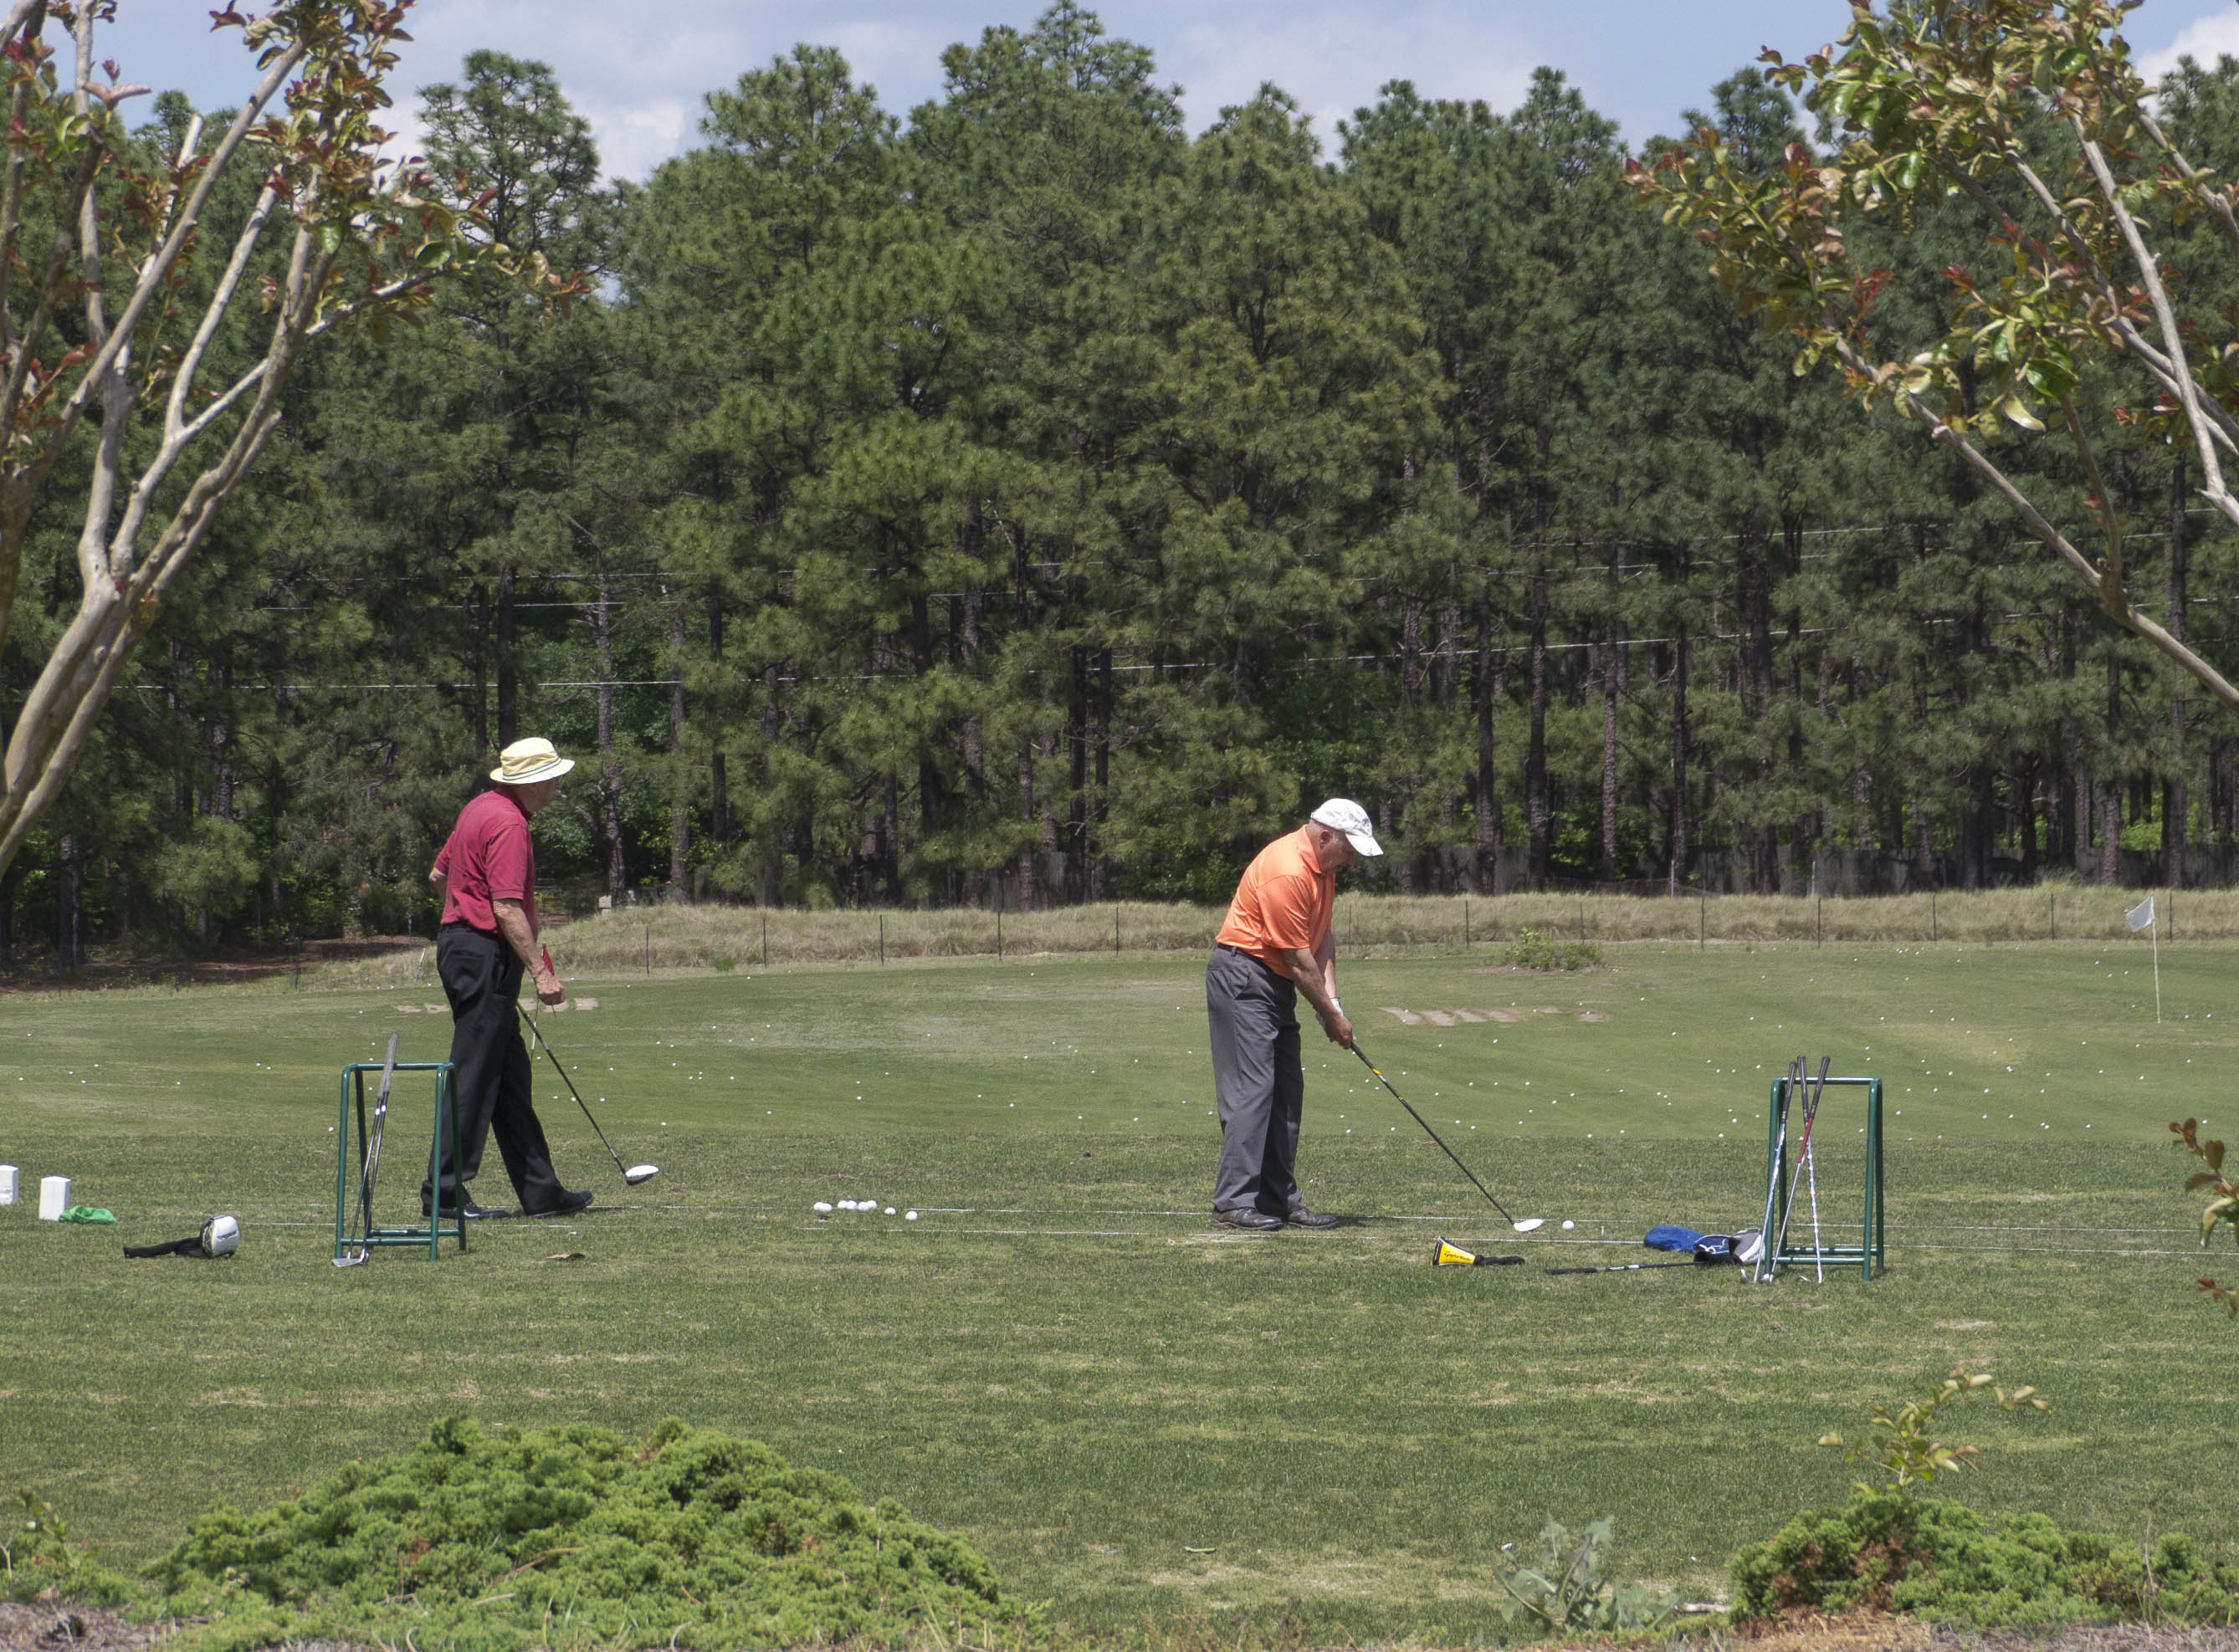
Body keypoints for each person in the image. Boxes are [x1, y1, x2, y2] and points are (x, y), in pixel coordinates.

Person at [422, 737, 593, 1220]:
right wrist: (540, 972)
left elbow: (438, 876)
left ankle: (542, 1193)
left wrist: (460, 918)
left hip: (466, 949)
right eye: (554, 776)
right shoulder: (510, 824)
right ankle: (443, 1195)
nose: (559, 783)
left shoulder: (479, 808)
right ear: (532, 783)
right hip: (484, 954)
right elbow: (506, 907)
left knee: (510, 1078)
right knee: (474, 1076)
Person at [1205, 799, 1381, 1230]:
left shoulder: (1324, 872)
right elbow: (1299, 961)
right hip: (1244, 976)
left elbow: (1322, 939)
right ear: (1325, 836)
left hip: (1275, 982)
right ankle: (1232, 1202)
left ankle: (1278, 1198)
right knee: (1252, 1089)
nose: (1352, 859)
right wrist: (1331, 1019)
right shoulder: (1287, 870)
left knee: (1287, 1090)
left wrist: (1334, 1007)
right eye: (1349, 849)